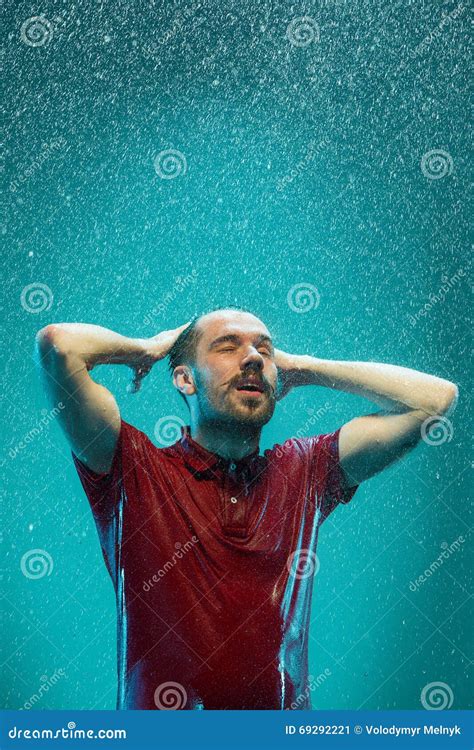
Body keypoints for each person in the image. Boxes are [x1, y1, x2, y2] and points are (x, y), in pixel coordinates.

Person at [35, 306, 458, 710]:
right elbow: (59, 345)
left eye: (265, 349)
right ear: (185, 379)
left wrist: (305, 367)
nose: (253, 357)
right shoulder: (132, 467)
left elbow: (436, 400)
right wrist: (145, 349)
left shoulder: (306, 471)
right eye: (228, 346)